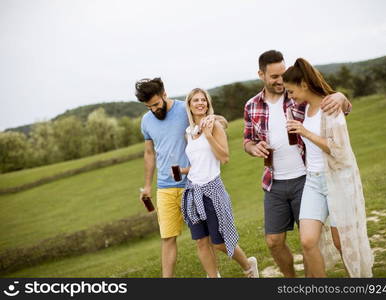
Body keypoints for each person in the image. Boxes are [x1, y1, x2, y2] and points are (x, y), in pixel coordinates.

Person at [243, 50, 352, 277]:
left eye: (283, 74)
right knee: (273, 241)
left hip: (306, 177)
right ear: (261, 74)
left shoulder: (297, 94)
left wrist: (341, 97)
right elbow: (247, 140)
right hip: (274, 182)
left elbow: (332, 103)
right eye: (274, 76)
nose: (281, 80)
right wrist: (253, 148)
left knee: (309, 241)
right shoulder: (251, 105)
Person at [283, 58, 374, 277]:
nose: (289, 96)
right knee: (307, 241)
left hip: (337, 179)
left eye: (291, 91)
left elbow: (339, 150)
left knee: (341, 242)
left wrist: (305, 132)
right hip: (313, 181)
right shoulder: (304, 109)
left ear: (304, 85)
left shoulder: (330, 106)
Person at [136, 78, 223, 277]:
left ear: (165, 94)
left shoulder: (184, 110)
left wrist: (213, 121)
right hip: (165, 186)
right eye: (149, 107)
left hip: (192, 184)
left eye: (156, 104)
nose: (154, 110)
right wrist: (147, 186)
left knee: (202, 239)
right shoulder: (146, 121)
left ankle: (214, 275)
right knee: (167, 237)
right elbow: (149, 153)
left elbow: (209, 120)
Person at [179, 88, 259, 278]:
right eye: (196, 100)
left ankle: (248, 266)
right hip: (192, 190)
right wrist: (182, 170)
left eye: (203, 100)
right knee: (201, 241)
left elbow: (224, 157)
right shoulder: (188, 132)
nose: (200, 103)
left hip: (212, 190)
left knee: (220, 242)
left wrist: (208, 135)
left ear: (208, 104)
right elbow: (197, 164)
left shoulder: (215, 126)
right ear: (189, 105)